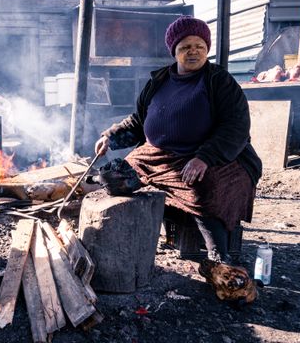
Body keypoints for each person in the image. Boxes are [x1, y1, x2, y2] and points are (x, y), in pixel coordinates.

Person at [94, 15, 262, 264]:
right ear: (174, 51)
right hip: (158, 154)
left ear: (207, 49)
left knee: (201, 189)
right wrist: (112, 137)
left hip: (211, 155)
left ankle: (219, 255)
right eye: (185, 47)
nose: (193, 52)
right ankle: (153, 227)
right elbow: (140, 121)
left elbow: (235, 127)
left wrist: (204, 158)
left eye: (200, 47)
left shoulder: (219, 81)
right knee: (113, 177)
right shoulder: (159, 80)